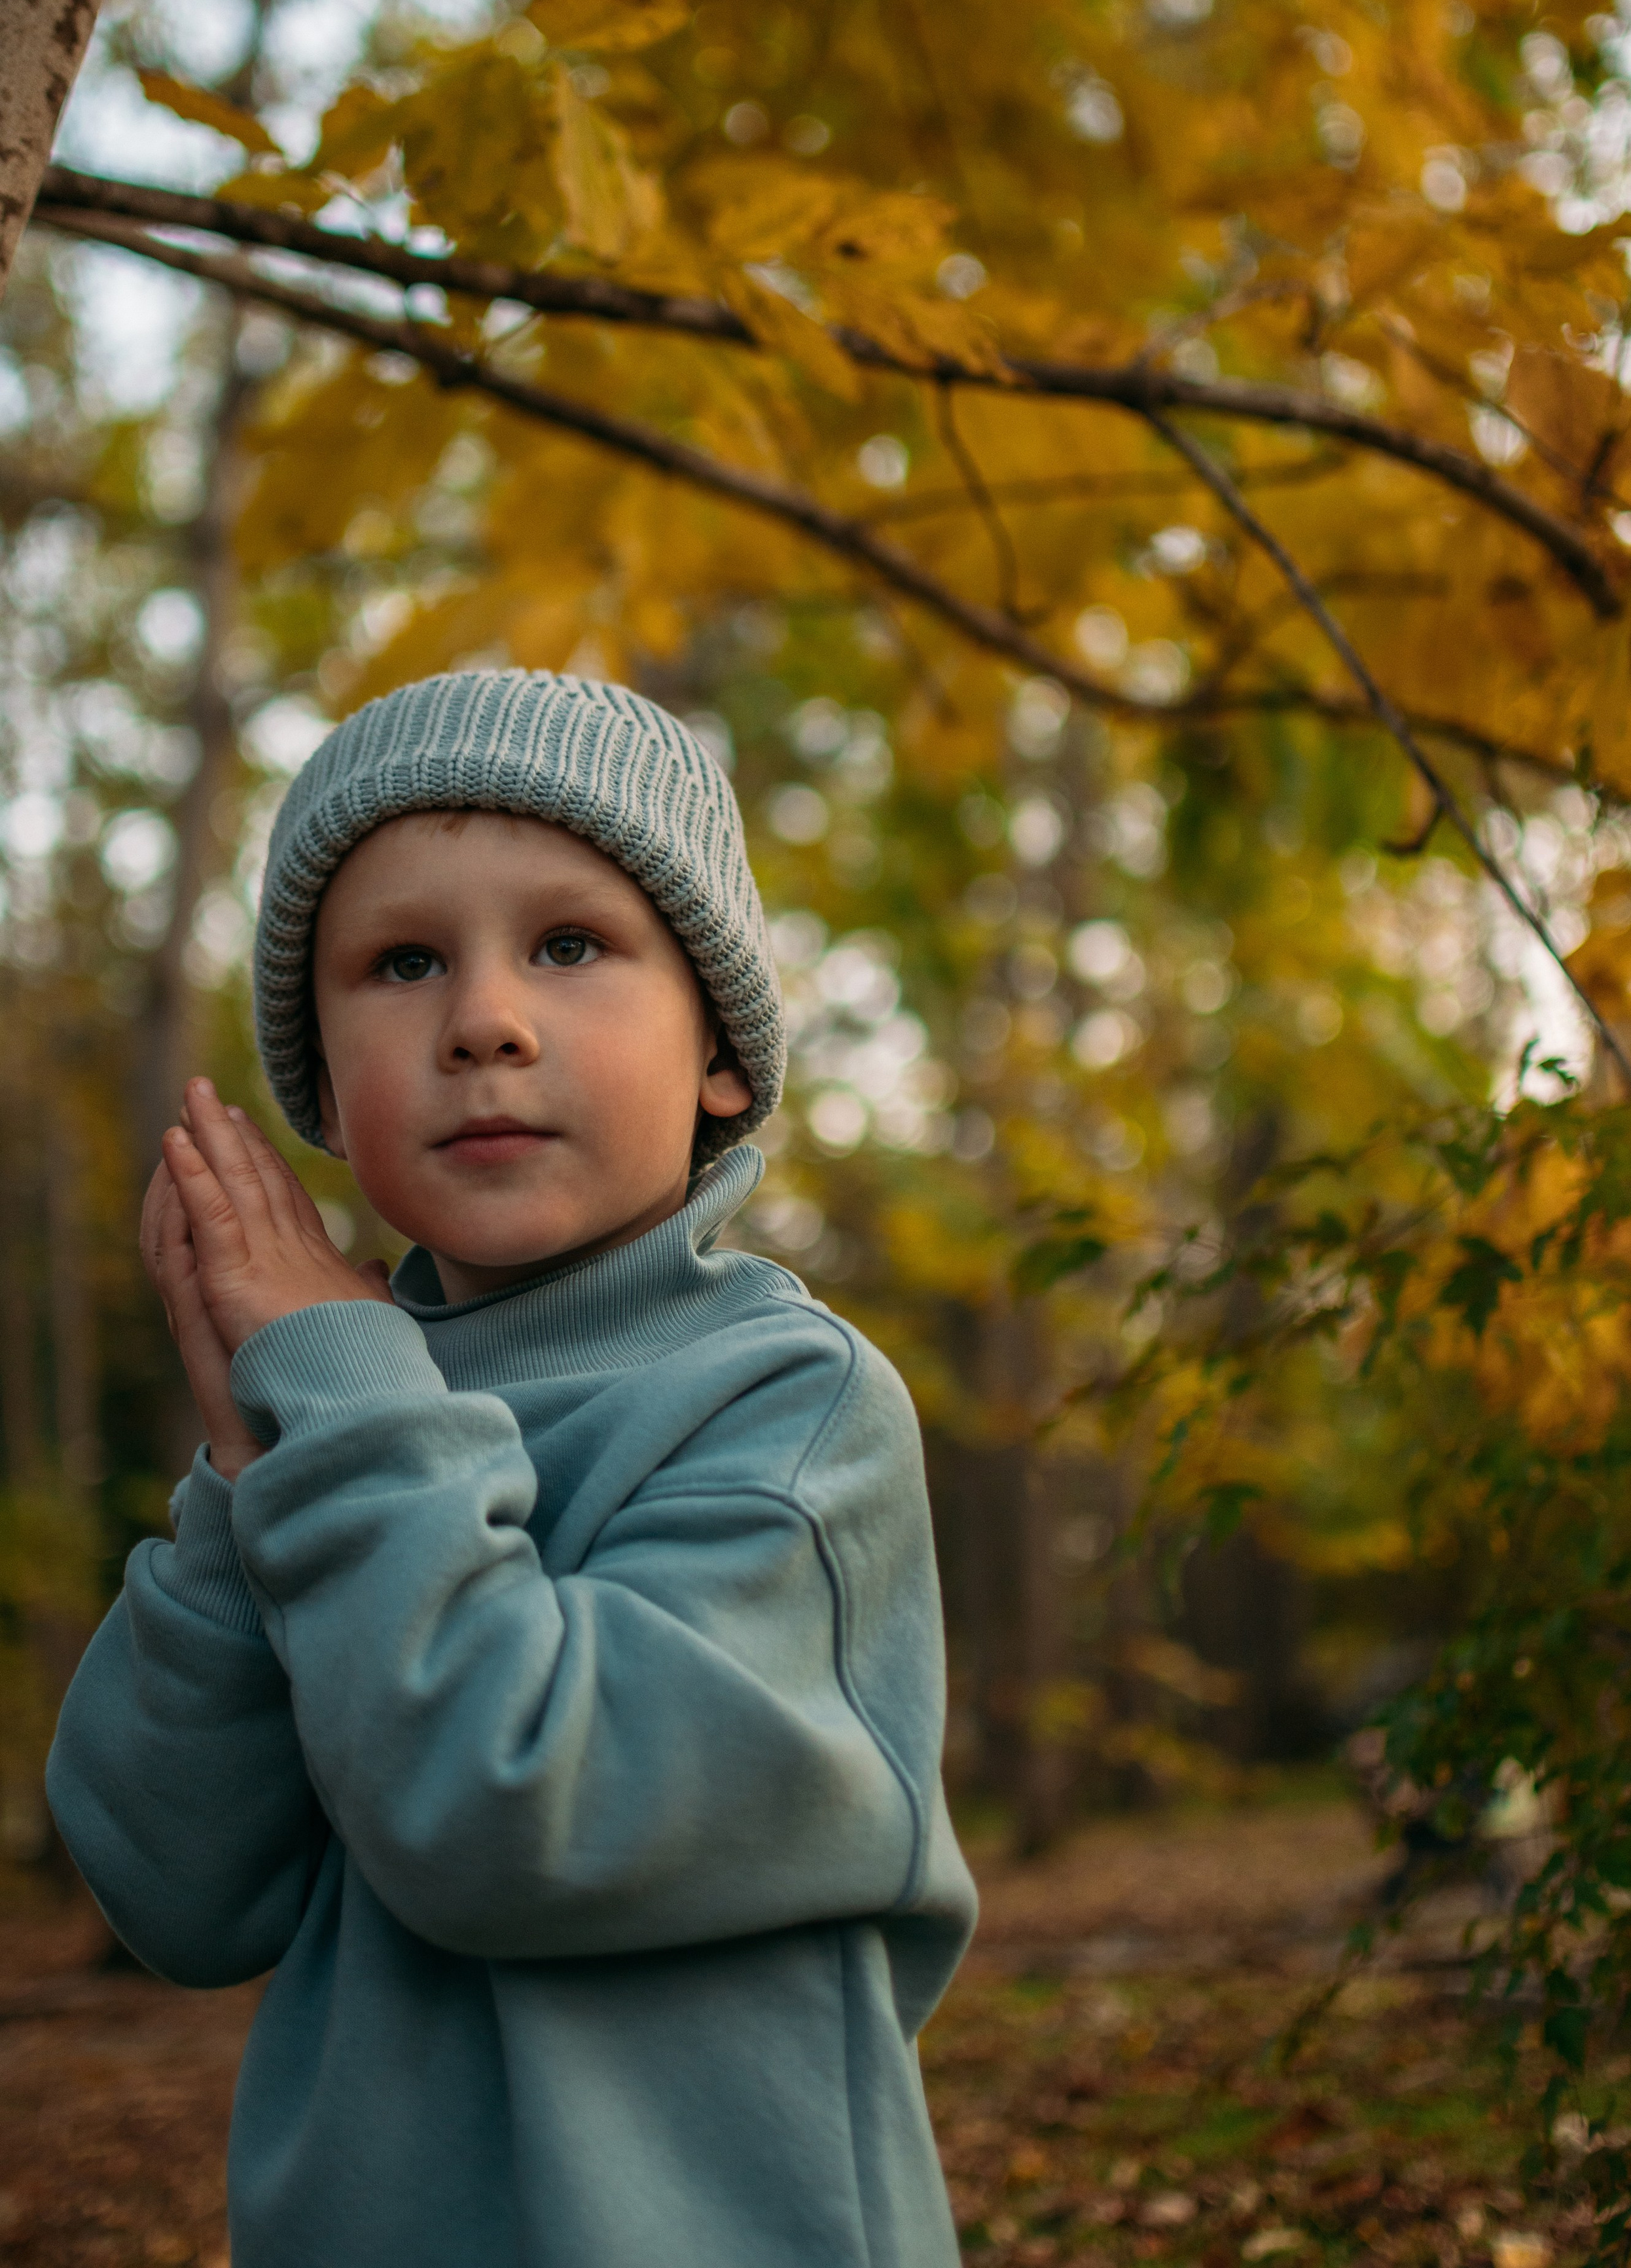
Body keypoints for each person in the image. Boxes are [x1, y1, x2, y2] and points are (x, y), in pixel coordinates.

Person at [47, 670, 976, 2268]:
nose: (483, 1017)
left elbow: (513, 1808)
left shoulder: (786, 1407)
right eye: (402, 962)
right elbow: (173, 1892)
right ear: (327, 1094)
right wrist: (238, 1466)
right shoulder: (333, 1421)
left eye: (569, 945)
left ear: (722, 1059)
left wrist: (339, 1408)